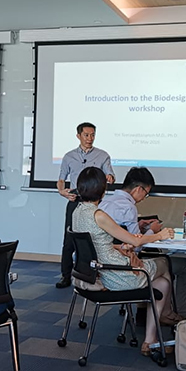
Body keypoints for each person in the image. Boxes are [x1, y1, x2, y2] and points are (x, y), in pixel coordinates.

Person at [98, 167, 186, 321]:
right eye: (146, 193)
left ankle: (147, 312)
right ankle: (183, 316)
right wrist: (152, 231)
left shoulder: (105, 202)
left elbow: (118, 232)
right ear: (138, 189)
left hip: (105, 263)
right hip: (127, 265)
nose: (144, 198)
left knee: (164, 262)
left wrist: (139, 226)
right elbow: (136, 245)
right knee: (184, 267)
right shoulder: (128, 207)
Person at [72, 167, 175, 356]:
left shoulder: (77, 212)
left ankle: (150, 340)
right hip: (116, 276)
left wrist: (119, 248)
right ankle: (157, 328)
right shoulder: (98, 215)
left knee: (162, 284)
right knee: (163, 263)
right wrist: (160, 235)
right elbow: (135, 241)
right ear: (102, 190)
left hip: (94, 273)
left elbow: (95, 245)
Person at [56, 122, 115, 289]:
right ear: (78, 136)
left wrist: (109, 177)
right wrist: (62, 191)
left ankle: (94, 274)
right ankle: (65, 275)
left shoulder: (103, 155)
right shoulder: (69, 156)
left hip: (94, 200)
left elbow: (110, 174)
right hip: (75, 198)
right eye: (86, 135)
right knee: (69, 239)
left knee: (94, 238)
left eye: (92, 135)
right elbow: (61, 179)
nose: (90, 138)